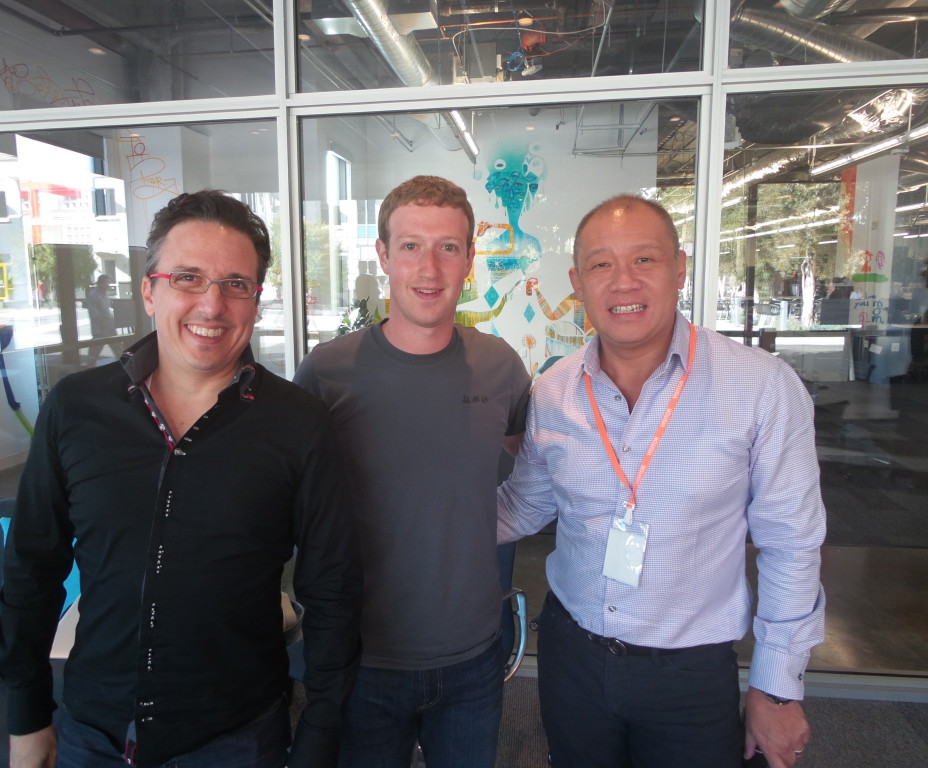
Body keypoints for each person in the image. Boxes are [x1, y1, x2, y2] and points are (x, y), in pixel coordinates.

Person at [0, 189, 362, 768]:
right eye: (187, 277)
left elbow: (334, 593)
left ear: (256, 301)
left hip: (236, 738)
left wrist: (317, 737)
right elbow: (31, 568)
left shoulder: (299, 424)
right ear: (149, 289)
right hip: (92, 731)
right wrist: (26, 713)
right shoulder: (76, 408)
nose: (212, 306)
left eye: (235, 284)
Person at [497, 195, 826, 768]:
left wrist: (777, 687)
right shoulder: (553, 391)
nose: (623, 283)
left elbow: (791, 542)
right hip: (573, 656)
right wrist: (418, 514)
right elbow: (524, 505)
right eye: (601, 264)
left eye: (644, 260)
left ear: (679, 268)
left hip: (689, 672)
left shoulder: (761, 388)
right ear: (577, 282)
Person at [294, 175, 531, 768]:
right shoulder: (327, 372)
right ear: (382, 254)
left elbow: (536, 464)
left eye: (448, 247)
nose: (430, 268)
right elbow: (288, 497)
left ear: (470, 258)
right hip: (364, 656)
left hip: (473, 655)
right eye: (410, 246)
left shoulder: (499, 365)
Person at [86, 273, 118, 364]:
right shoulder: (94, 295)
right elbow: (94, 313)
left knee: (117, 347)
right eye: (106, 283)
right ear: (101, 283)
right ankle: (89, 367)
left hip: (109, 327)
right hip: (100, 328)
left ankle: (124, 367)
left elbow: (106, 310)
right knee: (95, 351)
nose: (108, 285)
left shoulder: (104, 295)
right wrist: (102, 324)